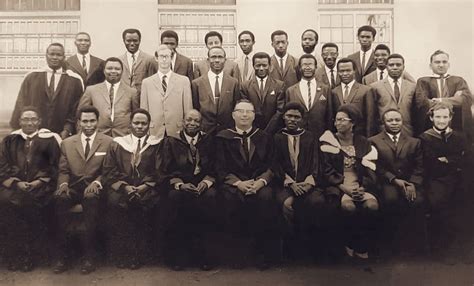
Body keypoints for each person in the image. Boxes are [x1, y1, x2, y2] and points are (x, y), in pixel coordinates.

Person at [215, 99, 277, 270]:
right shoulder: (222, 137)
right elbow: (219, 167)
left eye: (248, 111)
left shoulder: (264, 137)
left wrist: (260, 182)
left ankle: (261, 254)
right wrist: (238, 183)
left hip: (259, 183)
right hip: (234, 183)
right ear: (233, 115)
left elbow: (272, 166)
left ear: (254, 115)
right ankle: (236, 254)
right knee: (229, 199)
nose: (244, 115)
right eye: (240, 111)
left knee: (266, 198)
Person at [273, 102, 338, 261]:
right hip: (287, 184)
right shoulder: (277, 137)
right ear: (283, 117)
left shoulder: (310, 137)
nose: (292, 120)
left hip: (309, 183)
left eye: (297, 117)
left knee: (316, 202)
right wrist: (291, 183)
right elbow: (275, 164)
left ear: (302, 119)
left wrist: (309, 182)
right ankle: (290, 246)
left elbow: (316, 163)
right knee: (287, 204)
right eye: (289, 116)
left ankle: (312, 247)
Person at [53, 106, 113, 274]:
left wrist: (98, 182)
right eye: (85, 121)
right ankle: (63, 256)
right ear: (78, 122)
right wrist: (63, 185)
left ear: (98, 121)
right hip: (73, 187)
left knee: (91, 200)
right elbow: (63, 171)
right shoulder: (67, 143)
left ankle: (89, 256)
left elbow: (108, 170)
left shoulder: (108, 142)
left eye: (92, 121)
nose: (88, 125)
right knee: (60, 200)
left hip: (95, 188)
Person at [0, 106, 61, 272]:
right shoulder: (10, 141)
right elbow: (2, 166)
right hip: (15, 186)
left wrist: (39, 181)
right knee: (6, 203)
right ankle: (15, 254)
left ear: (39, 122)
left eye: (33, 119)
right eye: (25, 119)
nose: (29, 123)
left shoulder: (49, 141)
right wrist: (16, 182)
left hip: (42, 187)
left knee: (31, 203)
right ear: (19, 122)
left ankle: (31, 256)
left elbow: (55, 166)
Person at [156, 109, 217, 271]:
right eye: (189, 120)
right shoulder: (171, 141)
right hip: (179, 185)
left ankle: (204, 256)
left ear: (201, 123)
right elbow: (163, 170)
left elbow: (216, 167)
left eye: (196, 121)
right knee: (175, 199)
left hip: (202, 185)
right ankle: (178, 257)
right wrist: (180, 184)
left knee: (210, 198)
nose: (192, 124)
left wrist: (207, 182)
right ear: (183, 122)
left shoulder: (208, 141)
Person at [103, 109, 161, 270]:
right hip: (122, 188)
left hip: (147, 188)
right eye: (136, 123)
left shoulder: (157, 144)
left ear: (149, 125)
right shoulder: (118, 144)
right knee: (116, 205)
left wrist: (144, 186)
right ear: (130, 124)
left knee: (143, 207)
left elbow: (160, 170)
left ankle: (138, 254)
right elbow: (109, 170)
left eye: (144, 123)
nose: (140, 126)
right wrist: (125, 186)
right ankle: (121, 253)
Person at [320, 104, 378, 261]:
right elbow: (326, 171)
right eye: (336, 120)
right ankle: (349, 243)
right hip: (339, 185)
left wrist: (363, 187)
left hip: (360, 184)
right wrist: (344, 188)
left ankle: (362, 244)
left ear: (352, 123)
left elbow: (370, 168)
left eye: (342, 120)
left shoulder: (363, 142)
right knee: (348, 207)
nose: (337, 123)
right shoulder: (328, 141)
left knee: (372, 206)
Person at [369, 109, 425, 257]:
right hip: (388, 183)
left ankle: (410, 245)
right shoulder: (373, 141)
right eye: (390, 120)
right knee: (390, 200)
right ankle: (389, 245)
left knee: (417, 201)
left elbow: (419, 166)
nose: (394, 123)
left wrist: (413, 183)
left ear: (402, 122)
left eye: (397, 120)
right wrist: (393, 179)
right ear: (383, 123)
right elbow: (376, 166)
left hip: (409, 182)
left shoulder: (414, 141)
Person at [420, 102, 468, 265]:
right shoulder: (425, 137)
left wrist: (448, 159)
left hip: (457, 179)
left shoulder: (459, 136)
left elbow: (466, 158)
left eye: (445, 117)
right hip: (436, 180)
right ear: (432, 118)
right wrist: (453, 159)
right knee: (438, 205)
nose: (441, 120)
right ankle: (438, 251)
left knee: (461, 207)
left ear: (450, 118)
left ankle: (458, 250)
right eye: (438, 117)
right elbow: (431, 163)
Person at [10, 43, 84, 139]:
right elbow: (21, 104)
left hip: (62, 134)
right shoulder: (32, 77)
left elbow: (76, 109)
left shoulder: (74, 80)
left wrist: (67, 129)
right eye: (52, 54)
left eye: (58, 55)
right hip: (33, 134)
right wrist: (19, 130)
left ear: (64, 57)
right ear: (46, 55)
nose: (55, 57)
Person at [415, 50, 473, 141]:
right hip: (431, 129)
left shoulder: (458, 81)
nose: (441, 65)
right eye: (437, 62)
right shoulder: (423, 81)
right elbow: (422, 102)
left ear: (448, 64)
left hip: (455, 126)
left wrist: (440, 100)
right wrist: (454, 99)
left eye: (444, 62)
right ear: (430, 65)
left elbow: (466, 99)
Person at [78, 57, 139, 137]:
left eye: (117, 69)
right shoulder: (91, 90)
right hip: (98, 136)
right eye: (109, 68)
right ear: (104, 70)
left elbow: (136, 116)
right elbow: (80, 114)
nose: (113, 71)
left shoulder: (132, 92)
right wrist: (81, 136)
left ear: (122, 71)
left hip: (124, 137)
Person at [141, 45, 192, 139]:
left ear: (171, 58)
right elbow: (144, 109)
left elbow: (188, 109)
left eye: (167, 56)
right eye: (161, 56)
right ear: (156, 58)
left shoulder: (183, 81)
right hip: (154, 131)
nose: (164, 59)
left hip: (177, 130)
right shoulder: (146, 83)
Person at [371, 54, 429, 136]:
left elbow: (417, 111)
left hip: (407, 132)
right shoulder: (375, 87)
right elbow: (372, 113)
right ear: (386, 67)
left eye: (398, 65)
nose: (395, 67)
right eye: (391, 65)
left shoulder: (412, 86)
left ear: (403, 67)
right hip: (383, 132)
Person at [191, 46, 241, 134]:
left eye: (220, 57)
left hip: (227, 130)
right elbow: (196, 107)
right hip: (205, 131)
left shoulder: (233, 82)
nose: (217, 60)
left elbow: (235, 107)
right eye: (213, 57)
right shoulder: (197, 83)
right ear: (208, 60)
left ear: (225, 60)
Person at [285, 54, 333, 139]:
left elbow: (329, 115)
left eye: (310, 64)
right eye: (304, 65)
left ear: (315, 67)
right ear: (299, 68)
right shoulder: (291, 91)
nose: (307, 67)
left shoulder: (325, 89)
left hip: (320, 135)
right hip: (297, 135)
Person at [240, 52, 285, 134]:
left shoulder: (279, 85)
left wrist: (268, 130)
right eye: (258, 65)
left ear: (269, 66)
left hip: (273, 131)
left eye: (264, 65)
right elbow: (245, 109)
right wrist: (255, 130)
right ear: (253, 66)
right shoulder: (245, 86)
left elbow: (280, 111)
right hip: (252, 131)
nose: (261, 68)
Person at [331, 58, 376, 137]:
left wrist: (369, 138)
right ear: (338, 72)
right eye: (341, 71)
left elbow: (370, 118)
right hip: (340, 137)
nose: (345, 74)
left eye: (348, 70)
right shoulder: (333, 92)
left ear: (354, 71)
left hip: (359, 135)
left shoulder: (366, 90)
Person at [118, 28, 157, 95]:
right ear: (124, 41)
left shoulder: (149, 59)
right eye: (128, 41)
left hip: (142, 98)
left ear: (140, 41)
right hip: (124, 98)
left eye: (135, 41)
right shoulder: (119, 60)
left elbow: (153, 82)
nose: (132, 43)